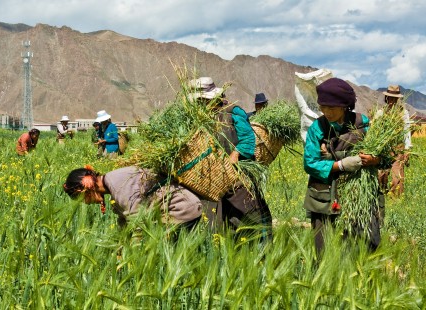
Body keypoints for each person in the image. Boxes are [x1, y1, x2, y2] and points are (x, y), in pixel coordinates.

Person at [303, 77, 383, 255]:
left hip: (357, 195)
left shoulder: (363, 125)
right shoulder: (318, 128)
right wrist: (340, 165)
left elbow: (385, 156)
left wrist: (373, 160)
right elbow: (310, 163)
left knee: (361, 247)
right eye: (323, 107)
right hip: (324, 196)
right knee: (323, 249)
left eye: (331, 107)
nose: (326, 112)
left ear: (345, 106)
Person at [189, 77, 271, 240]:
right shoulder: (199, 117)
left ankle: (260, 250)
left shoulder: (233, 111)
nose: (201, 104)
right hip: (215, 178)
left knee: (247, 217)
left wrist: (235, 154)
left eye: (203, 100)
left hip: (238, 176)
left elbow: (247, 139)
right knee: (216, 222)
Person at [63, 165, 202, 229]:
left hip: (180, 210)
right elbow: (125, 223)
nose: (86, 204)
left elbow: (138, 226)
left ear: (87, 187)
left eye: (82, 199)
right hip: (172, 212)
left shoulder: (119, 187)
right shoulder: (112, 187)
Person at [377, 85, 412, 197]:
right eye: (390, 98)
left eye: (394, 98)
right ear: (386, 98)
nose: (392, 101)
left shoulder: (403, 113)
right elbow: (375, 131)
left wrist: (407, 149)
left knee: (397, 175)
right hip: (384, 147)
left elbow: (406, 131)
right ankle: (382, 194)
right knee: (382, 174)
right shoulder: (381, 113)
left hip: (398, 148)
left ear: (397, 99)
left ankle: (395, 198)